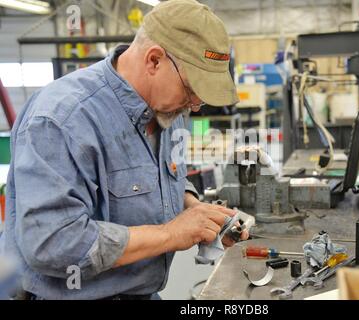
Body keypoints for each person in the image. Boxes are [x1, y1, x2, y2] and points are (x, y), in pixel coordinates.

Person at [0, 0, 247, 300]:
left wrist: (195, 211)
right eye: (192, 90)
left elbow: (162, 177)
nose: (195, 105)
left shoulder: (168, 109)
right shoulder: (62, 119)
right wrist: (172, 233)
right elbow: (52, 243)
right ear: (154, 60)